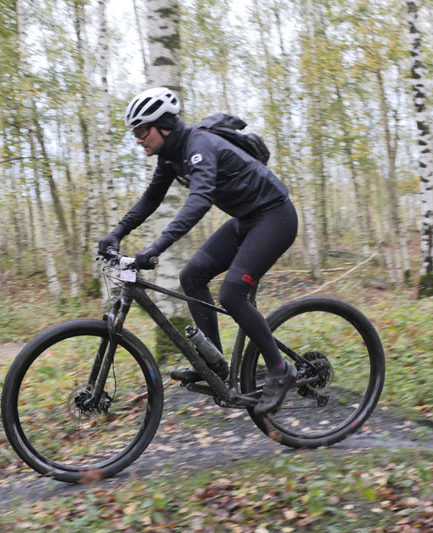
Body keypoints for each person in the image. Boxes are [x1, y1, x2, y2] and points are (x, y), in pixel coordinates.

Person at [98, 87, 299, 416]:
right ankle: (214, 363)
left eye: (142, 130)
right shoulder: (170, 156)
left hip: (276, 217)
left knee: (232, 294)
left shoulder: (199, 145)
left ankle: (280, 369)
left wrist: (157, 247)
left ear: (164, 126)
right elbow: (151, 199)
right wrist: (117, 232)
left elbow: (200, 200)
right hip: (247, 220)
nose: (138, 139)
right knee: (192, 276)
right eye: (135, 132)